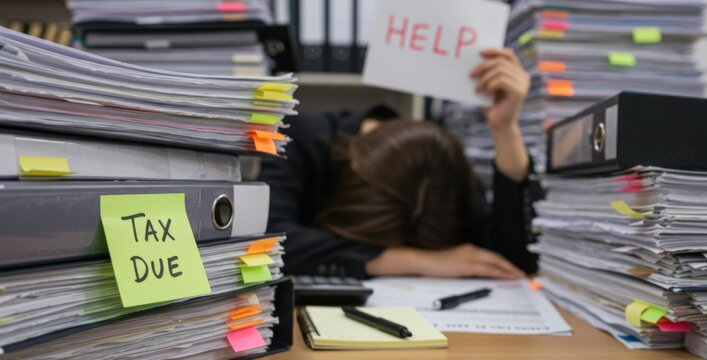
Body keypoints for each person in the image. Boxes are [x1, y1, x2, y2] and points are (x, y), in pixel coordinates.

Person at [258, 48, 542, 279]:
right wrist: (417, 261)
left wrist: (505, 130)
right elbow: (268, 242)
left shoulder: (441, 168)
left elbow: (513, 260)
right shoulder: (297, 139)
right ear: (355, 165)